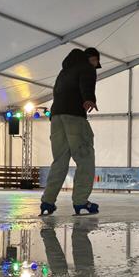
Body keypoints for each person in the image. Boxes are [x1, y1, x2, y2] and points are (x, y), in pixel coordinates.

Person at [40, 47, 101, 216]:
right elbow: (87, 82)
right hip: (74, 117)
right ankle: (81, 202)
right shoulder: (86, 67)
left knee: (59, 161)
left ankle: (47, 201)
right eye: (96, 61)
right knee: (85, 159)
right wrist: (89, 98)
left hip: (56, 118)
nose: (96, 66)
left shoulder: (63, 72)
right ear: (90, 58)